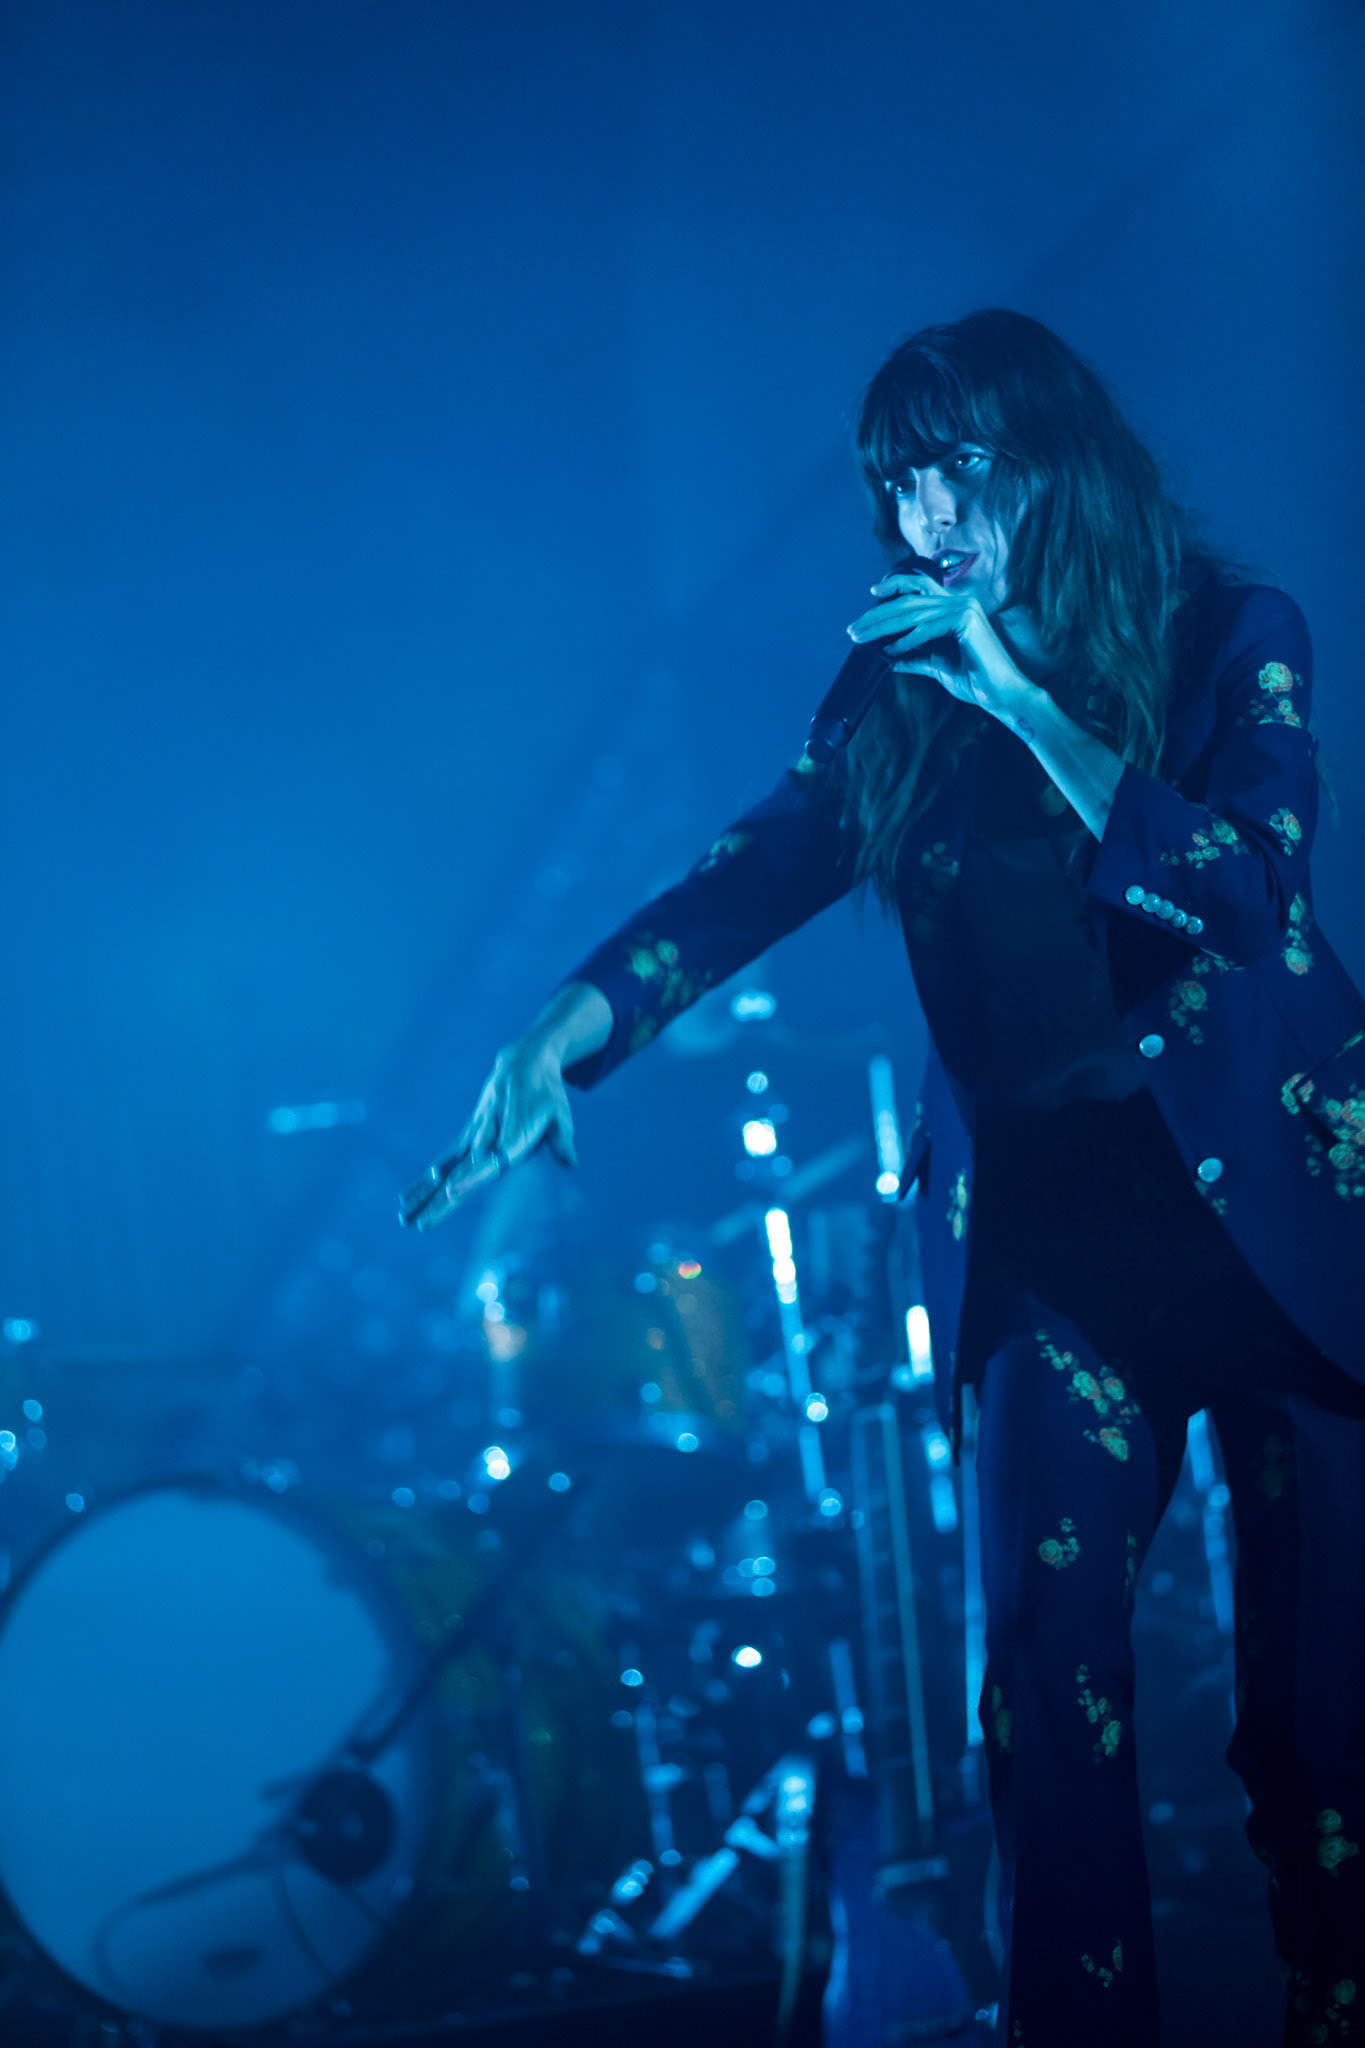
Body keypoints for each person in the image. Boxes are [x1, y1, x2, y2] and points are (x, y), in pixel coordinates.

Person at [401, 309, 1365, 2047]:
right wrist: (566, 1025)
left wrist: (1024, 699)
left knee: (1319, 1738)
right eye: (897, 480)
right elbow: (753, 868)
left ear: (1049, 461)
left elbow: (1248, 901)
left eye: (955, 467)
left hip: (1273, 1242)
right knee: (1044, 1701)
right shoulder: (891, 698)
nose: (925, 515)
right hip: (1056, 1248)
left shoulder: (1232, 631)